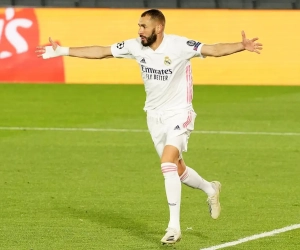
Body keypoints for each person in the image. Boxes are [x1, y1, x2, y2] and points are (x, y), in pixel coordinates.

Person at [35, 9, 263, 245]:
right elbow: (102, 51)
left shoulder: (179, 45)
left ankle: (174, 227)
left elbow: (213, 49)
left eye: (144, 26)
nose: (139, 31)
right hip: (154, 117)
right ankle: (210, 189)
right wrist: (61, 51)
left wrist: (241, 45)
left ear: (159, 27)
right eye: (139, 26)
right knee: (179, 170)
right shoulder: (135, 46)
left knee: (166, 163)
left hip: (179, 113)